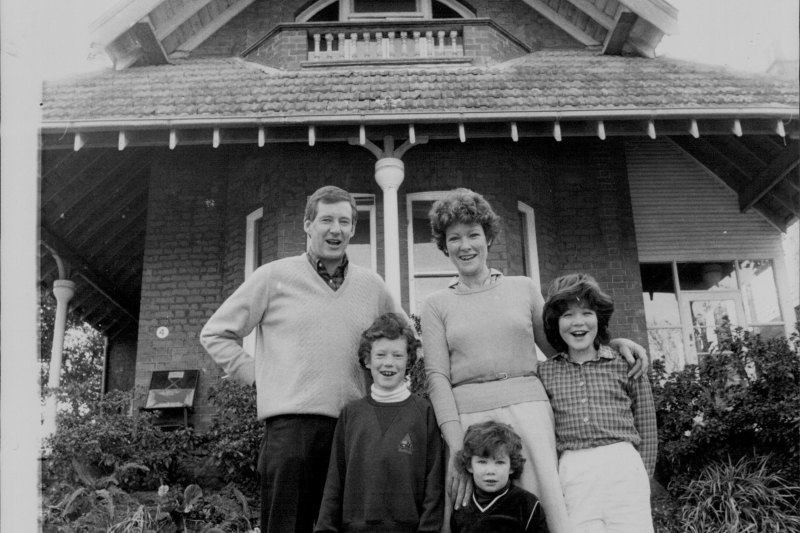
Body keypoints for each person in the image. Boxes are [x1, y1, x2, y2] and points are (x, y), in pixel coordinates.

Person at [421, 188, 648, 533]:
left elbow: (564, 342)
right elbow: (436, 376)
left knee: (544, 513)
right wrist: (457, 448)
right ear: (444, 245)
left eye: (473, 235)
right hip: (468, 422)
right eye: (454, 238)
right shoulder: (436, 304)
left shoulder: (523, 288)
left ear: (489, 237)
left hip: (531, 417)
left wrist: (612, 342)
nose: (465, 245)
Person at [200, 186, 403, 533]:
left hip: (352, 431)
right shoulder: (273, 277)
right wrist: (259, 376)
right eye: (326, 220)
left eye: (344, 221)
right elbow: (215, 333)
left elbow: (402, 340)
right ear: (308, 225)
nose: (335, 229)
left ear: (353, 229)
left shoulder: (373, 286)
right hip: (290, 432)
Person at [538, 273, 657, 533]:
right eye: (567, 315)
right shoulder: (544, 373)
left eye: (586, 313)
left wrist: (642, 475)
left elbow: (647, 424)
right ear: (555, 323)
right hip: (574, 471)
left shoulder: (626, 362)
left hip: (623, 466)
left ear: (599, 318)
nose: (578, 322)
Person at [315, 313, 444, 532]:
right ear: (367, 359)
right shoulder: (351, 414)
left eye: (397, 355)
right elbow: (335, 481)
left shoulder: (424, 412)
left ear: (409, 360)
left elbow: (434, 483)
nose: (388, 363)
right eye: (381, 355)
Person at [451, 421, 549, 533]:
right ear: (469, 466)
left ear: (511, 466)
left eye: (500, 462)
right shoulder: (462, 506)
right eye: (482, 462)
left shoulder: (526, 504)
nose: (491, 471)